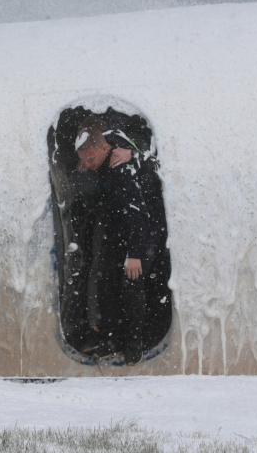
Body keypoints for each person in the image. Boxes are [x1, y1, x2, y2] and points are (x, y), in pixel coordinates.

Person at [74, 115, 160, 365]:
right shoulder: (104, 141)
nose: (88, 164)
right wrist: (87, 163)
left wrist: (134, 254)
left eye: (91, 158)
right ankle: (111, 341)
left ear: (105, 149)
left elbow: (137, 213)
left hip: (138, 233)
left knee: (132, 287)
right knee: (106, 284)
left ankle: (134, 344)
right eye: (83, 159)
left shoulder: (120, 165)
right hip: (116, 228)